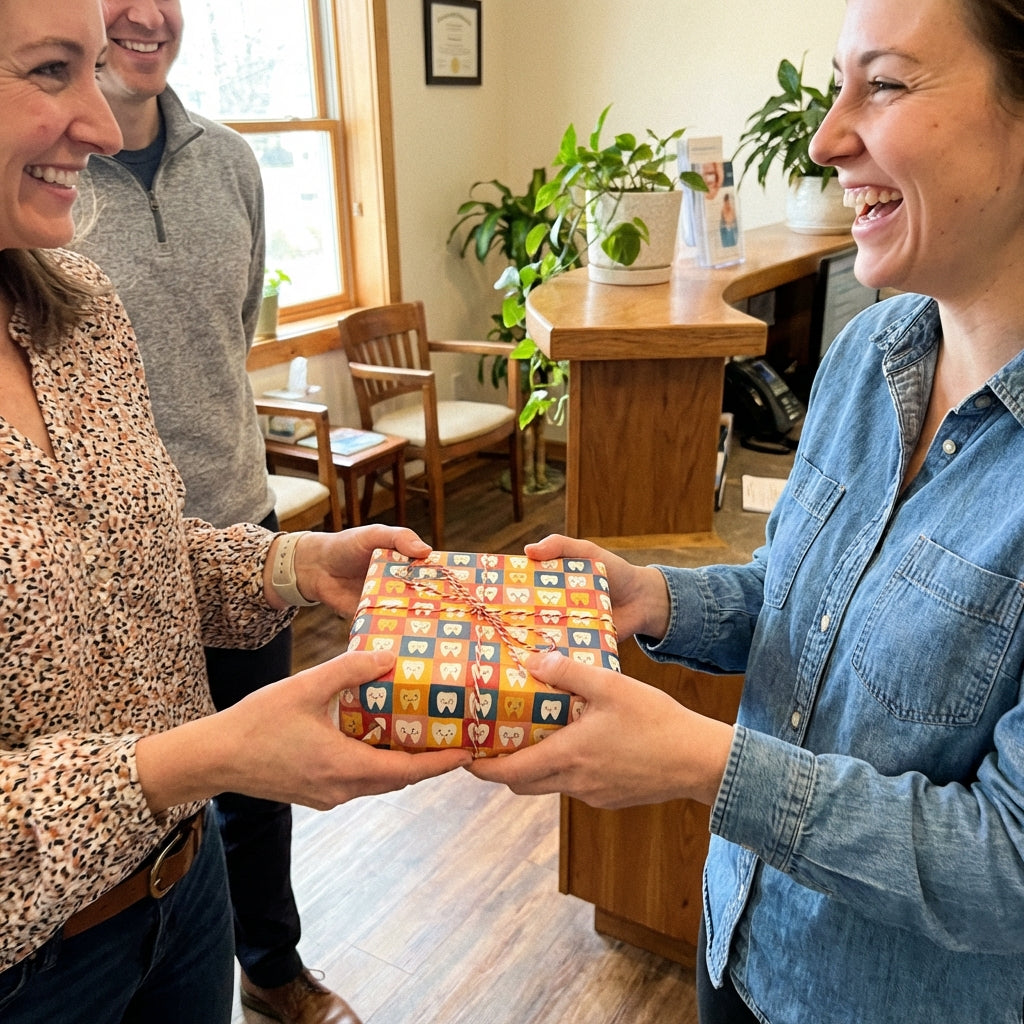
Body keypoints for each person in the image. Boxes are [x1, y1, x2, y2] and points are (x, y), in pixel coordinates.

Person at [472, 0, 1024, 1021]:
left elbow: (1008, 865)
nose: (824, 138)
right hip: (739, 939)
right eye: (836, 84)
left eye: (887, 84)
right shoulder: (870, 354)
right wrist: (652, 600)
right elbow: (795, 596)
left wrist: (695, 759)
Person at [0, 2, 471, 1021]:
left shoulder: (76, 307)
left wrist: (284, 567)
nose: (95, 117)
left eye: (90, 70)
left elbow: (123, 546)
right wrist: (206, 754)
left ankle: (274, 961)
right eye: (48, 71)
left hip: (182, 897)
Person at [70, 2, 357, 1020]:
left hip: (242, 527)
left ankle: (268, 962)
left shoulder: (231, 163)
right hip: (97, 564)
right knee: (139, 799)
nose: (146, 14)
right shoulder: (43, 184)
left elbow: (228, 332)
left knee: (259, 775)